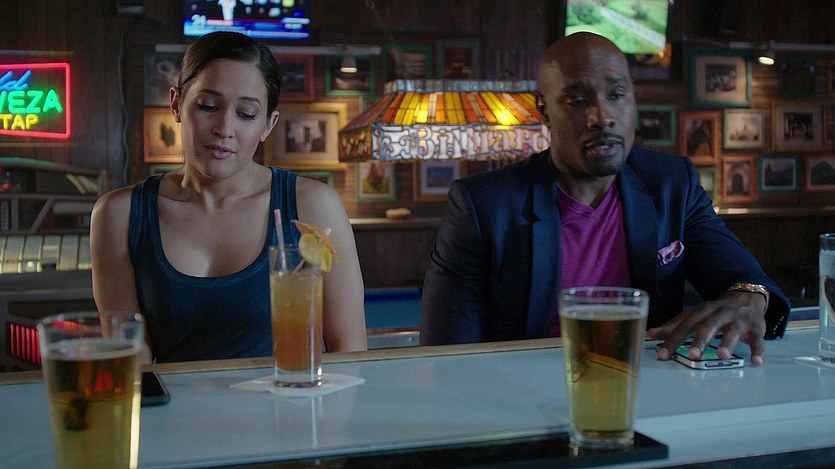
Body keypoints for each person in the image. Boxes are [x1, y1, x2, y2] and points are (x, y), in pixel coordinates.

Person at [420, 32, 790, 366]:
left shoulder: (672, 184)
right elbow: (448, 357)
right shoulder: (482, 206)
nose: (602, 117)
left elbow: (743, 278)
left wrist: (748, 296)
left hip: (650, 391)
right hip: (524, 398)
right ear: (544, 110)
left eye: (616, 95)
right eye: (578, 100)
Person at [90, 31, 367, 363]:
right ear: (176, 104)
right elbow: (132, 359)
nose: (224, 128)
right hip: (167, 399)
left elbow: (349, 347)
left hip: (289, 396)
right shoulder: (119, 215)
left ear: (268, 125)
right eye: (208, 106)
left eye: (246, 114)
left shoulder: (313, 205)